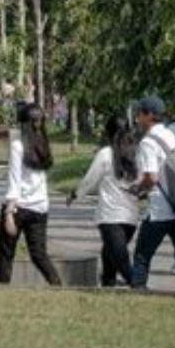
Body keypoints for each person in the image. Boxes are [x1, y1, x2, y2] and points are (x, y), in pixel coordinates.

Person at [128, 95, 175, 292]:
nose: (137, 118)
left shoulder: (147, 142)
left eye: (140, 113)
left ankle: (138, 290)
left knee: (142, 255)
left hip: (160, 208)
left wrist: (137, 188)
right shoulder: (172, 135)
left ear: (150, 115)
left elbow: (152, 178)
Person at [0, 102, 63, 286]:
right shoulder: (44, 144)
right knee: (39, 254)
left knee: (6, 254)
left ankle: (1, 291)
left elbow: (14, 179)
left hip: (19, 207)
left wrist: (9, 213)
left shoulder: (18, 146)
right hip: (40, 207)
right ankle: (57, 285)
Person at [70, 115, 141, 286]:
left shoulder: (105, 153)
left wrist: (76, 194)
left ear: (109, 133)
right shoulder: (136, 153)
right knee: (109, 252)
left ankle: (139, 286)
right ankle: (108, 285)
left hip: (110, 217)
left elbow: (90, 180)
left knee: (121, 259)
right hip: (131, 218)